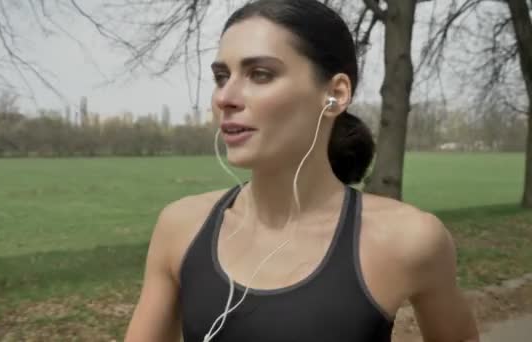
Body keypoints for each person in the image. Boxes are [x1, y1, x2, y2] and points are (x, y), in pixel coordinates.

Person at [124, 0, 479, 341]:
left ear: (335, 94)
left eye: (260, 74)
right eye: (221, 76)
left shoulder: (410, 239)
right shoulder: (180, 228)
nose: (224, 98)